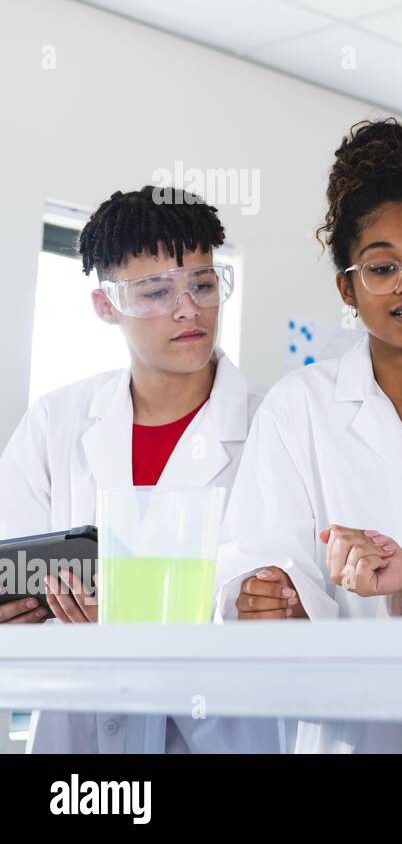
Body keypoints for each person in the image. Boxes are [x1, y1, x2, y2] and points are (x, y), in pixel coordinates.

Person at [215, 119, 402, 753]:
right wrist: (269, 595)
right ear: (347, 289)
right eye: (381, 268)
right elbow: (260, 554)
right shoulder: (299, 407)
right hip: (351, 732)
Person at [0, 187, 271, 752]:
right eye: (155, 292)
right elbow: (10, 568)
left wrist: (132, 628)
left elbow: (279, 613)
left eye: (202, 283)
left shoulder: (274, 425)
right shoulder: (57, 422)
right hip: (76, 743)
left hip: (221, 735)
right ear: (106, 306)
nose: (187, 309)